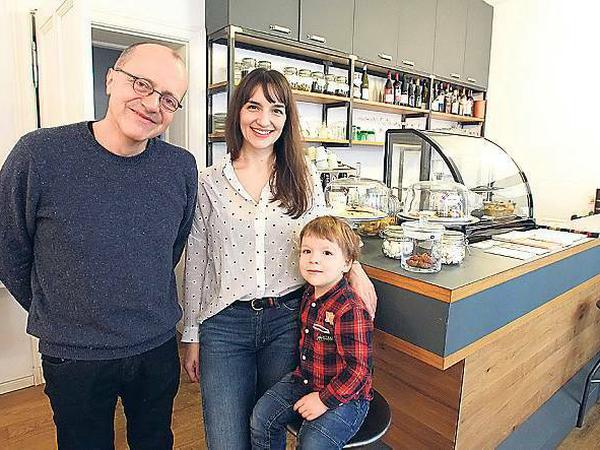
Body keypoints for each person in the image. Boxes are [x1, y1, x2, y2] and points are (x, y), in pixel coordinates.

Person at [0, 43, 198, 449]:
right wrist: (56, 307)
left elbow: (171, 248)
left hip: (156, 345)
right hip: (75, 354)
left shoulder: (180, 167)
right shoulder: (39, 154)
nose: (152, 104)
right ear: (111, 79)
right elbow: (8, 246)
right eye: (141, 84)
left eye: (168, 99)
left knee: (155, 441)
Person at [182, 68, 377, 450]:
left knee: (269, 431)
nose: (264, 120)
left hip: (288, 320)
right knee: (226, 442)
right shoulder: (208, 181)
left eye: (276, 109)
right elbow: (198, 259)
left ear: (287, 118)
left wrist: (356, 270)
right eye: (253, 106)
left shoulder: (304, 176)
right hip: (224, 325)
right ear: (238, 112)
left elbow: (328, 233)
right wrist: (190, 335)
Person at [250, 215, 373, 450]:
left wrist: (323, 400)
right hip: (305, 380)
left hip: (347, 396)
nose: (314, 259)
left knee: (312, 443)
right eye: (307, 251)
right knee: (262, 418)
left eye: (327, 253)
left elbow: (359, 370)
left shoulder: (350, 309)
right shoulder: (308, 293)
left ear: (347, 263)